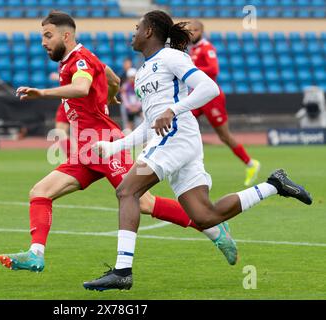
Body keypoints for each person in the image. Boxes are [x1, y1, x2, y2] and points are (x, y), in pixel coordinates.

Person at [83, 10, 312, 291]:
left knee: (127, 191)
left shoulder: (171, 57)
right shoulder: (143, 72)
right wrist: (115, 146)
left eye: (137, 26)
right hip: (176, 139)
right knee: (205, 216)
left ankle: (122, 271)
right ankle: (275, 185)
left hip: (176, 136)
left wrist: (173, 109)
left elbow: (209, 88)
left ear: (149, 32)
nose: (133, 31)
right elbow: (149, 123)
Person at [0, 11, 238, 273]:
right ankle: (36, 254)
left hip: (105, 143)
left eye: (47, 35)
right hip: (85, 150)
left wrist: (42, 93)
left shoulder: (79, 60)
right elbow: (111, 77)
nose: (43, 42)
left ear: (66, 35)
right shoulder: (76, 59)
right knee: (40, 192)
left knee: (143, 202)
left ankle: (214, 229)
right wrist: (109, 96)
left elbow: (80, 88)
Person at [188, 20, 260, 187]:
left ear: (201, 31)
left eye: (194, 30)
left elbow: (214, 69)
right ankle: (187, 165)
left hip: (211, 98)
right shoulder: (194, 50)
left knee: (224, 136)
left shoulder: (207, 48)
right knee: (181, 122)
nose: (191, 33)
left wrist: (193, 69)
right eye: (189, 30)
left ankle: (251, 164)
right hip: (197, 96)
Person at [120, 68, 142, 133]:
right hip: (128, 109)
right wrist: (130, 107)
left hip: (137, 108)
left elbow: (141, 97)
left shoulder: (139, 86)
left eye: (133, 77)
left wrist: (137, 107)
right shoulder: (125, 86)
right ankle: (127, 135)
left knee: (143, 117)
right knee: (128, 124)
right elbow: (124, 98)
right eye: (130, 77)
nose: (132, 79)